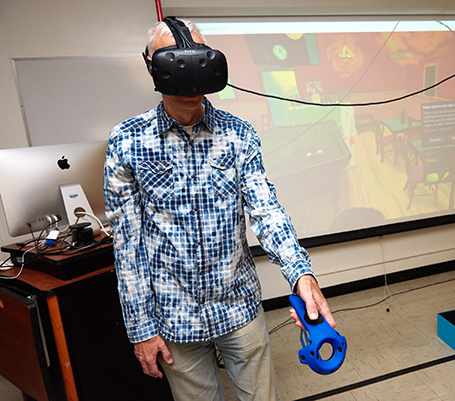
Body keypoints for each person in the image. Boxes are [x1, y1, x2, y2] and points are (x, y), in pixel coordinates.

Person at [103, 19, 335, 401]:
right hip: (174, 316)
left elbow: (267, 210)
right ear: (151, 66)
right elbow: (128, 246)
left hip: (238, 305)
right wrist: (140, 328)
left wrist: (302, 275)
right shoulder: (126, 141)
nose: (189, 77)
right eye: (175, 62)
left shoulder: (238, 133)